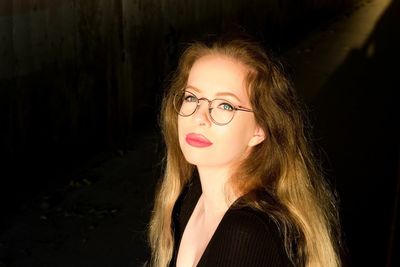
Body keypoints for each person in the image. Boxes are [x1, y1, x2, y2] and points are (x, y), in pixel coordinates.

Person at [148, 37, 341, 267]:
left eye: (225, 105)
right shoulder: (191, 196)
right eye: (192, 97)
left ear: (259, 130)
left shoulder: (247, 234)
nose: (200, 117)